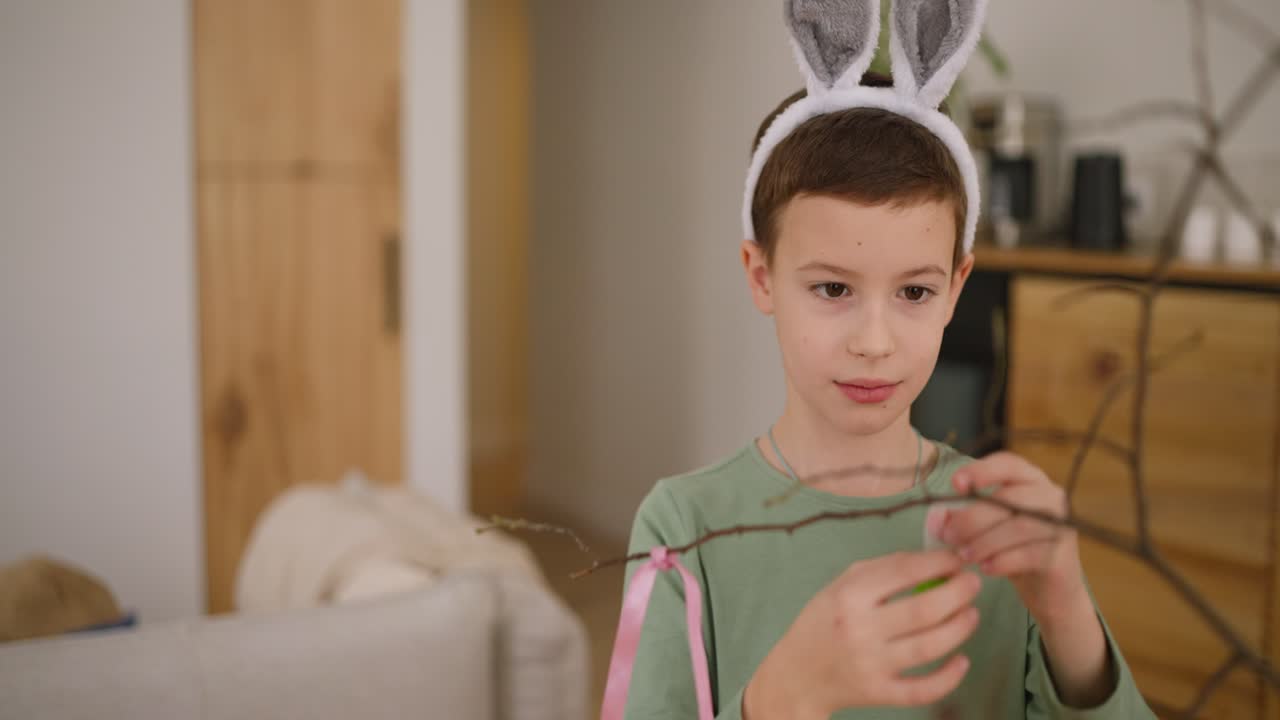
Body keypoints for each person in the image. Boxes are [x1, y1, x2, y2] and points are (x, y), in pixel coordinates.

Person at [612, 2, 1155, 718]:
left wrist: (1065, 612)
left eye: (915, 292)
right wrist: (781, 696)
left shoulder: (995, 528)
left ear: (956, 287)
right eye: (833, 288)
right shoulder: (682, 528)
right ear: (761, 275)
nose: (875, 341)